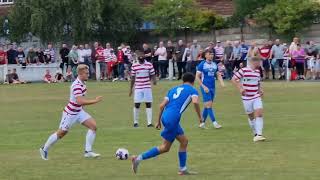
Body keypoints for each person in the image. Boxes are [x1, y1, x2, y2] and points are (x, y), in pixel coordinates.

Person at [131, 73, 202, 175]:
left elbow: (161, 106)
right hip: (173, 119)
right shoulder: (193, 90)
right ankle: (138, 158)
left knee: (184, 141)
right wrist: (200, 117)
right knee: (165, 147)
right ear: (193, 81)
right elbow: (195, 102)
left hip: (166, 117)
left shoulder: (172, 90)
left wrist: (158, 121)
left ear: (183, 80)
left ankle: (183, 169)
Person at [39, 64, 103, 160]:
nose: (88, 75)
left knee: (93, 126)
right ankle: (44, 149)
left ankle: (88, 152)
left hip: (79, 111)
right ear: (80, 74)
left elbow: (80, 102)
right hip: (70, 113)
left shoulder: (82, 83)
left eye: (88, 73)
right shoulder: (76, 85)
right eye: (86, 73)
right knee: (61, 133)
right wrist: (95, 100)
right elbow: (80, 101)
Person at [231, 56, 266, 142]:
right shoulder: (244, 70)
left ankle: (259, 134)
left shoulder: (258, 72)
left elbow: (257, 83)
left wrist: (260, 90)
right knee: (251, 117)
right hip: (246, 98)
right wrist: (240, 88)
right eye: (259, 62)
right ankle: (255, 133)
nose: (260, 64)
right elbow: (234, 79)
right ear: (254, 62)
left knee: (259, 113)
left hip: (256, 96)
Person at [196, 50, 225, 129]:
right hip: (205, 88)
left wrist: (222, 82)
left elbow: (218, 74)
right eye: (209, 54)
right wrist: (204, 86)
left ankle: (202, 123)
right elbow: (197, 77)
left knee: (207, 106)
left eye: (212, 54)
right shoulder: (202, 64)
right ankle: (215, 123)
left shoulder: (214, 64)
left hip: (213, 88)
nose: (211, 56)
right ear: (205, 55)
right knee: (209, 105)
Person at [129, 53, 157, 128]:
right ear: (137, 58)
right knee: (137, 104)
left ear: (144, 57)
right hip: (138, 87)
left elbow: (152, 74)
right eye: (139, 58)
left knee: (148, 103)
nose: (140, 59)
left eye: (142, 57)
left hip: (147, 87)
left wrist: (154, 80)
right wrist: (131, 89)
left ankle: (149, 123)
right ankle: (135, 122)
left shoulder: (149, 65)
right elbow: (133, 78)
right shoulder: (134, 65)